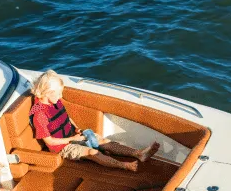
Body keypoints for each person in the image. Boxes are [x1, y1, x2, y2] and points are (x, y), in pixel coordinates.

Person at [29, 70, 159, 172]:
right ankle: (124, 165)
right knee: (92, 153)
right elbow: (50, 141)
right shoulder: (40, 115)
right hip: (62, 147)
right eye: (58, 93)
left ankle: (139, 154)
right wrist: (72, 139)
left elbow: (66, 118)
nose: (61, 96)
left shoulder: (54, 102)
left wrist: (76, 128)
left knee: (103, 141)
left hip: (73, 136)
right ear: (47, 93)